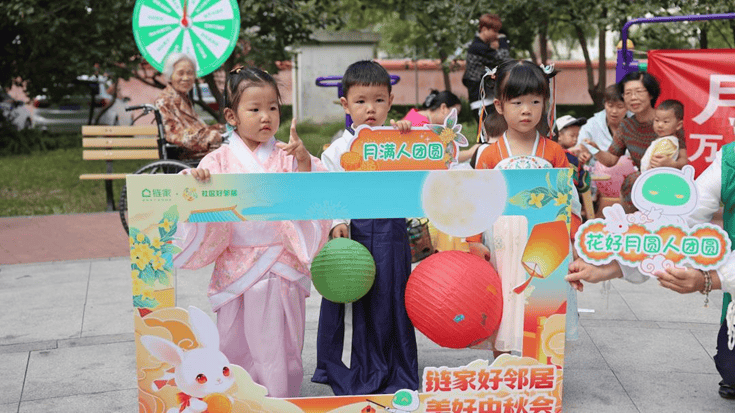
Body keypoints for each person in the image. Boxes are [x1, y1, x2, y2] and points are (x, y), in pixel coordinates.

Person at [171, 66, 330, 398]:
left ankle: (279, 398)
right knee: (234, 339)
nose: (265, 117)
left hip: (281, 263)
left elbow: (314, 196)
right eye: (254, 109)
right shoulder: (217, 161)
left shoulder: (288, 156)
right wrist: (196, 182)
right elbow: (194, 201)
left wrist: (303, 163)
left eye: (272, 107)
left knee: (280, 344)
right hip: (235, 266)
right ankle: (238, 398)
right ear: (232, 116)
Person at [566, 142, 735, 399]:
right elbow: (684, 218)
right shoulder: (730, 159)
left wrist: (710, 279)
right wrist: (613, 266)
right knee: (730, 367)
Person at [312, 60, 419, 395]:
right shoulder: (337, 149)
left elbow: (420, 174)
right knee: (354, 302)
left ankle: (395, 367)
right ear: (345, 104)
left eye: (378, 100)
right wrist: (337, 223)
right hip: (354, 233)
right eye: (361, 101)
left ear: (390, 101)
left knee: (392, 298)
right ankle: (352, 369)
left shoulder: (398, 141)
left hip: (391, 231)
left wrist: (409, 137)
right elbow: (328, 190)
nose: (370, 109)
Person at [467, 60, 582, 355]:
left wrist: (575, 239)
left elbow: (569, 199)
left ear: (546, 103)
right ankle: (503, 367)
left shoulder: (554, 152)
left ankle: (541, 370)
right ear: (499, 105)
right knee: (503, 306)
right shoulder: (490, 155)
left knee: (543, 305)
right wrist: (474, 241)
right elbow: (477, 201)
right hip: (503, 242)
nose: (526, 110)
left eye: (535, 101)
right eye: (517, 102)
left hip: (546, 241)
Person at [583, 71, 687, 213]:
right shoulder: (626, 126)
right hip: (637, 186)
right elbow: (610, 160)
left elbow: (683, 161)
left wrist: (672, 164)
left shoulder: (668, 122)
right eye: (628, 93)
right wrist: (595, 149)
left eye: (639, 92)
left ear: (651, 94)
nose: (633, 98)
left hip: (668, 186)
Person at [155, 53, 225, 159]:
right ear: (170, 75)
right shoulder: (165, 101)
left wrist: (220, 129)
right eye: (180, 73)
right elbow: (173, 135)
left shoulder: (183, 98)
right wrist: (206, 138)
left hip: (201, 153)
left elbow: (198, 128)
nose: (186, 78)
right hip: (188, 157)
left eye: (190, 73)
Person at [576, 84, 635, 201]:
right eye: (610, 105)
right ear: (604, 104)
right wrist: (583, 154)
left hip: (630, 179)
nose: (614, 111)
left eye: (620, 106)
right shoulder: (592, 125)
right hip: (598, 179)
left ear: (628, 106)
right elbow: (581, 147)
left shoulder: (636, 124)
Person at [462, 13, 510, 122]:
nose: (496, 35)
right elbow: (504, 58)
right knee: (488, 130)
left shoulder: (479, 46)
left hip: (483, 96)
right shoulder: (478, 47)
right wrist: (502, 40)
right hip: (481, 99)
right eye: (495, 31)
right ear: (484, 29)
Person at [640, 99, 685, 171]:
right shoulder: (663, 139)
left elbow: (655, 164)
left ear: (678, 125)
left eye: (665, 122)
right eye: (657, 120)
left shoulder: (667, 143)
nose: (660, 125)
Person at [554, 115, 591, 195]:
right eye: (572, 135)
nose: (575, 139)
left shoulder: (573, 155)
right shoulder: (569, 157)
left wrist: (580, 161)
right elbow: (583, 186)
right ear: (559, 135)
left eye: (577, 136)